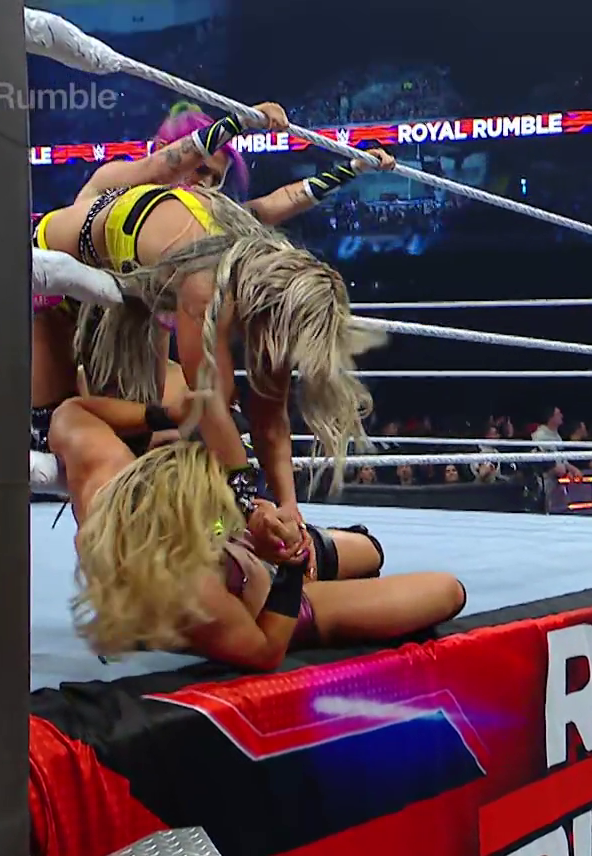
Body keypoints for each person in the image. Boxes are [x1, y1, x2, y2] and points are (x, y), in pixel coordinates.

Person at [34, 101, 395, 539]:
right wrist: (249, 501)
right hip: (55, 280)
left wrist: (288, 507)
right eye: (200, 168)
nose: (204, 182)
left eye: (214, 177)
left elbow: (270, 415)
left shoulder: (237, 236)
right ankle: (125, 553)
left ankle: (167, 539)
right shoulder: (198, 270)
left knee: (142, 436)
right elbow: (211, 401)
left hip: (135, 304)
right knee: (56, 427)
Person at [50, 398, 467, 669]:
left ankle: (307, 550)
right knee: (448, 591)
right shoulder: (194, 592)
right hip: (271, 605)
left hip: (238, 557)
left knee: (369, 551)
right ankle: (308, 567)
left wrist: (166, 414)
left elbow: (71, 411)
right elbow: (265, 651)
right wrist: (291, 566)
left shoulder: (105, 480)